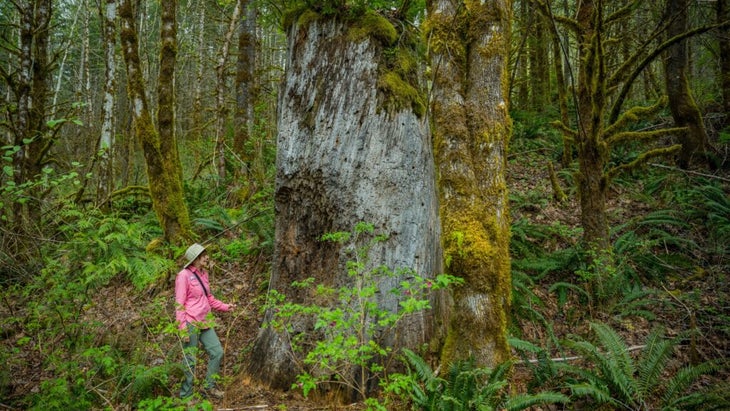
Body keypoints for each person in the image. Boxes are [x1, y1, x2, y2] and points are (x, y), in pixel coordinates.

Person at [175, 243, 236, 400]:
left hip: (205, 321)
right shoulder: (183, 275)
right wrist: (182, 329)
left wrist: (226, 307)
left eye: (206, 254)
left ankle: (209, 387)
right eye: (203, 255)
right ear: (195, 259)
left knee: (217, 352)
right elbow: (179, 304)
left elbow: (209, 298)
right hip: (190, 322)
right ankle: (186, 396)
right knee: (190, 361)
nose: (206, 257)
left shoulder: (204, 274)